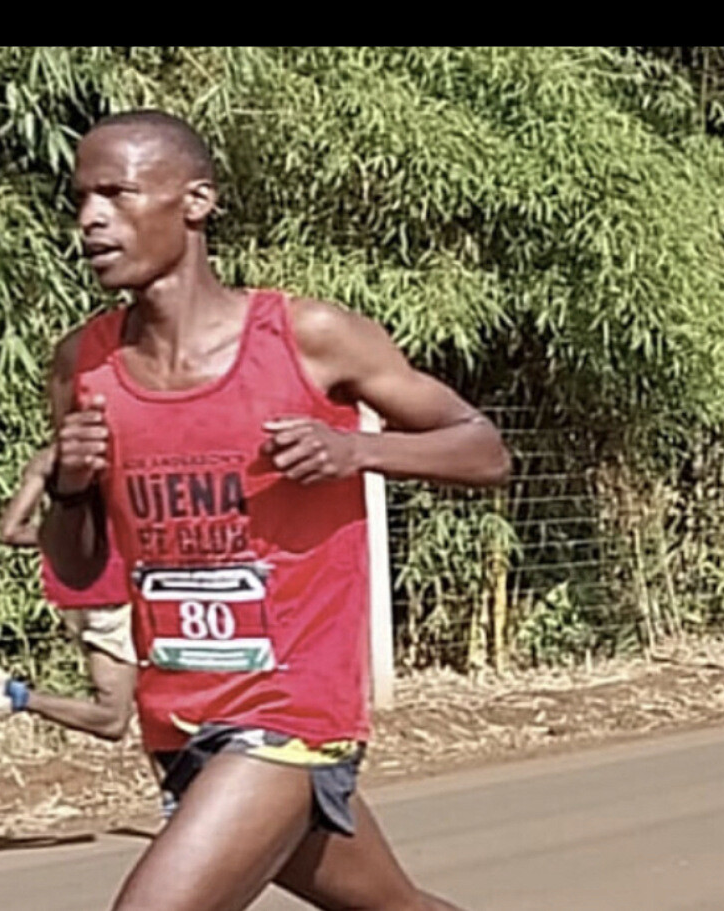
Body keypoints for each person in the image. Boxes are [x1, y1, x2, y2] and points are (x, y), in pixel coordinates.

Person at [38, 109, 511, 911]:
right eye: (82, 197)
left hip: (291, 707)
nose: (91, 218)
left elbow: (484, 448)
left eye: (116, 193)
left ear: (196, 201)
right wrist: (71, 486)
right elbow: (80, 566)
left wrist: (356, 450)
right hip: (179, 717)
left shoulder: (306, 336)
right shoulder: (82, 365)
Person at [0, 444, 136, 743]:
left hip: (78, 595)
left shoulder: (50, 459)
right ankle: (10, 694)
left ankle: (11, 695)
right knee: (113, 719)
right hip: (116, 595)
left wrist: (67, 542)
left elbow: (10, 531)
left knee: (139, 709)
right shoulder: (131, 450)